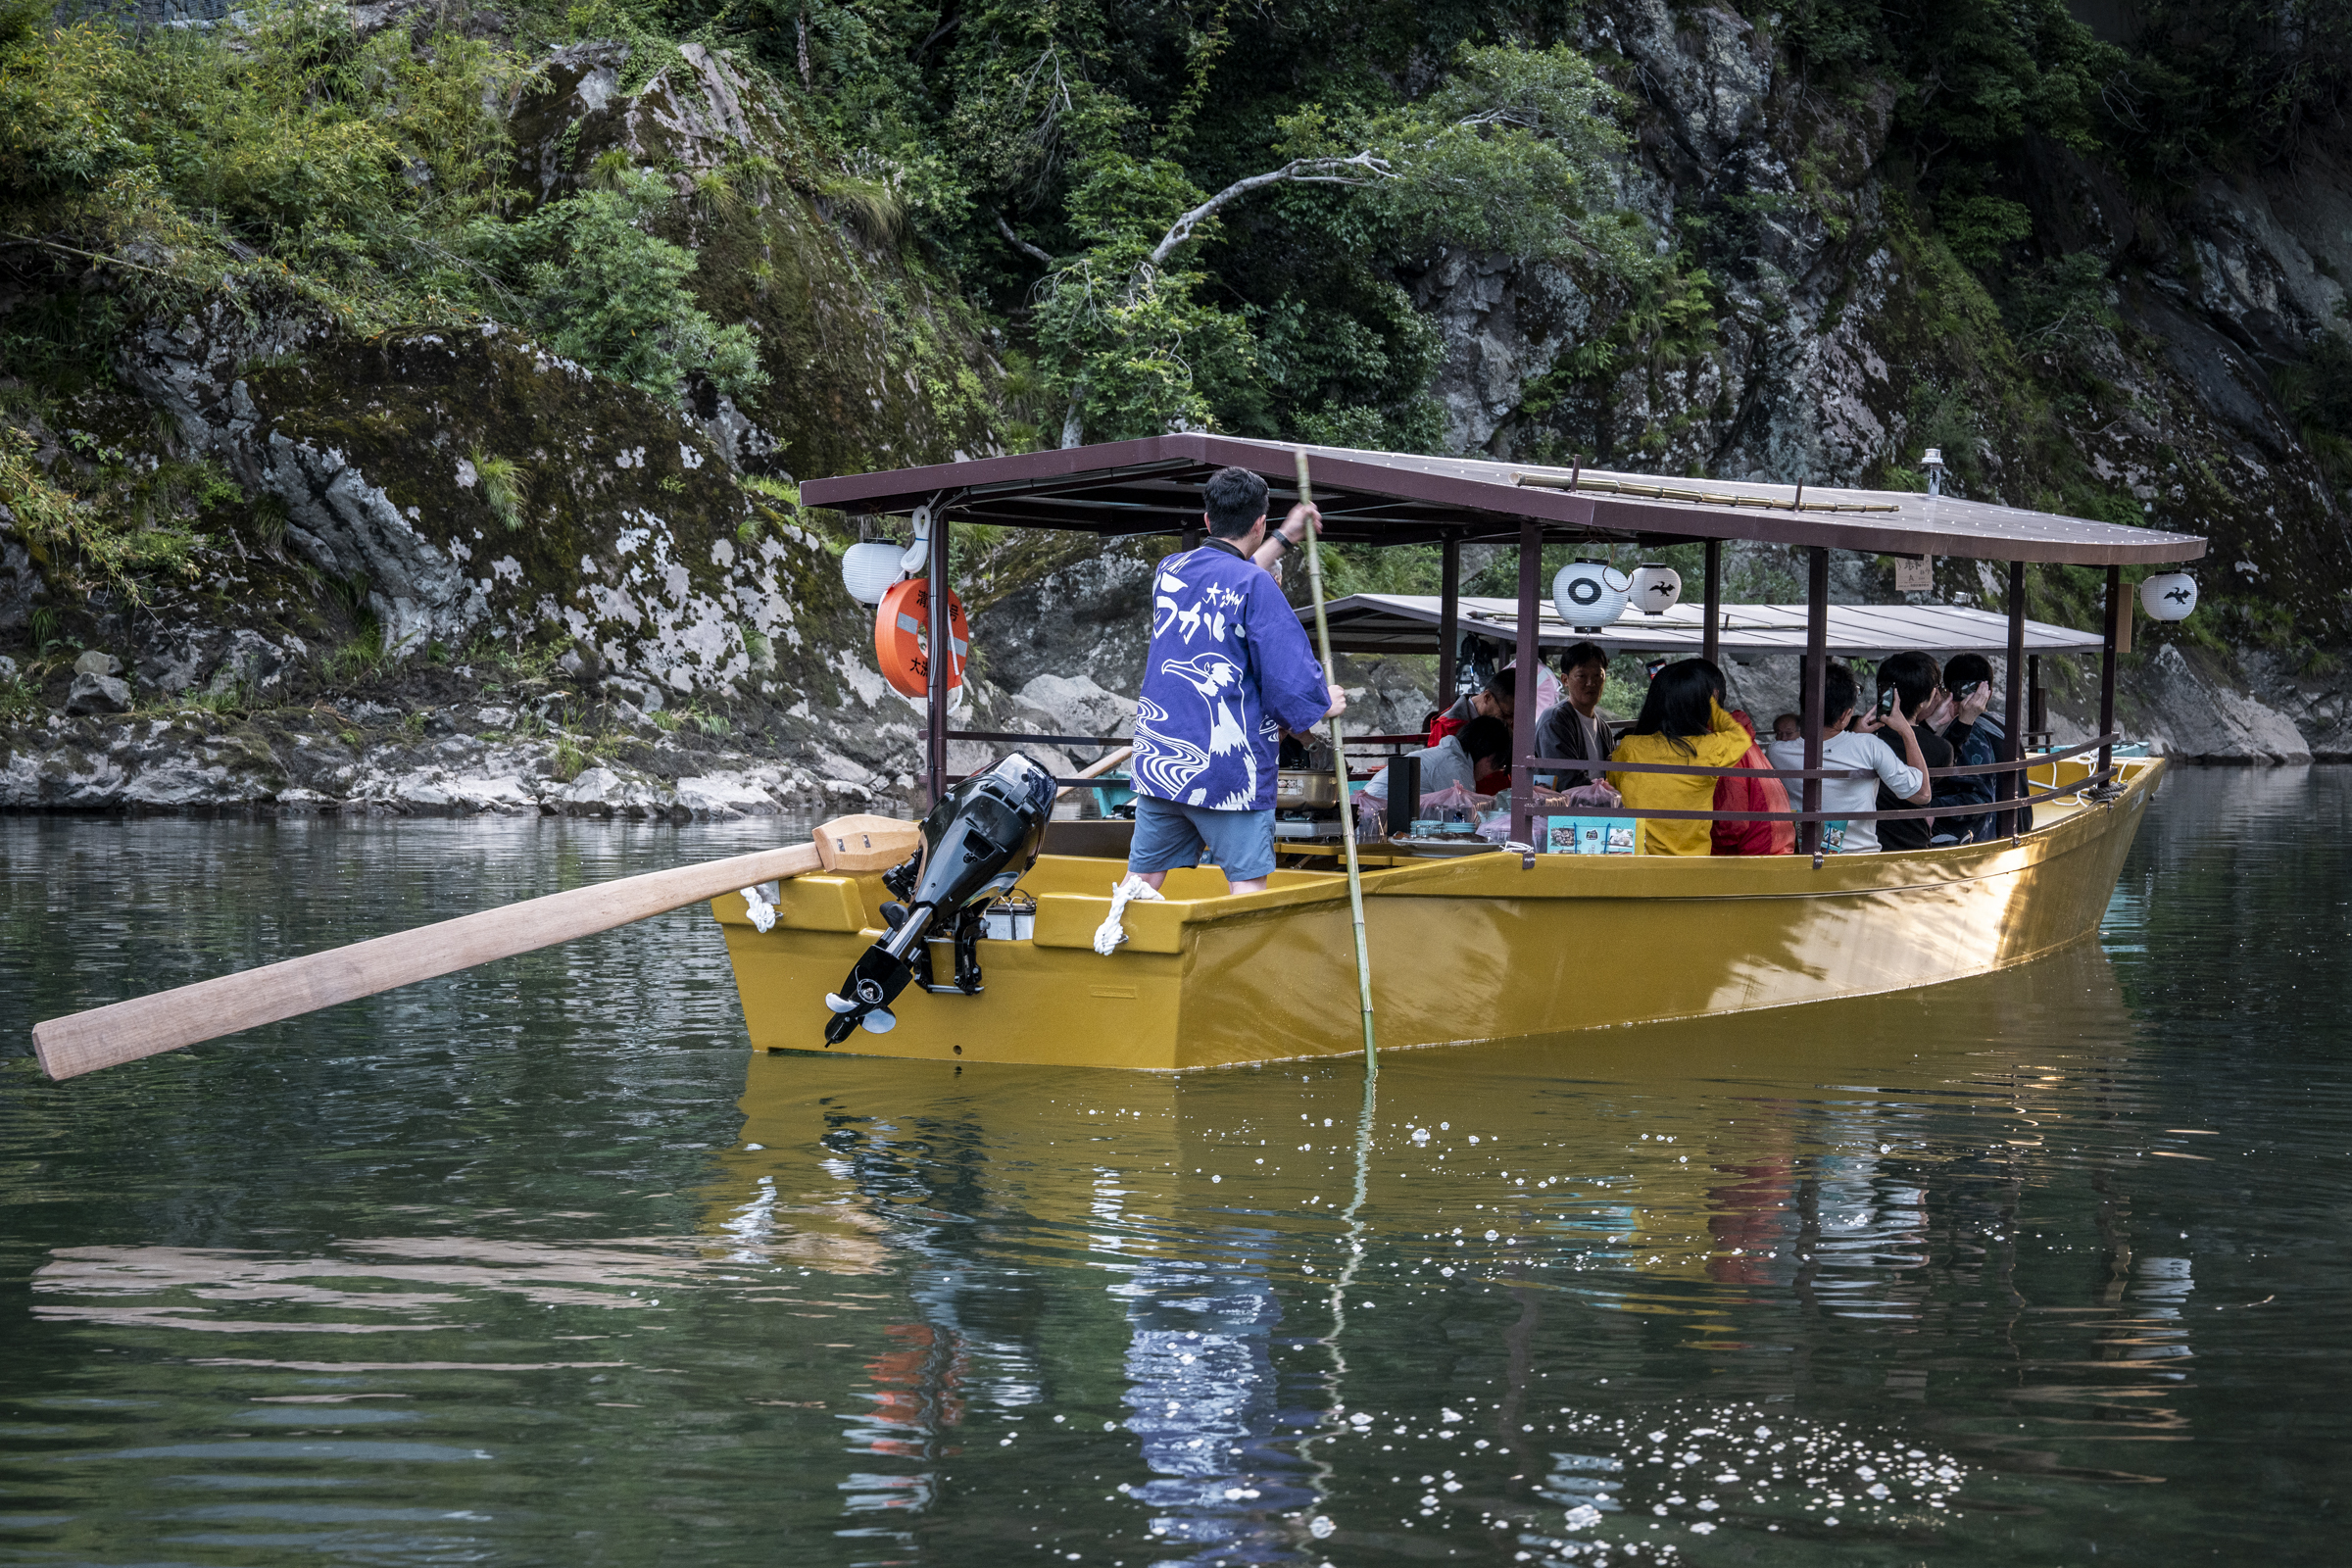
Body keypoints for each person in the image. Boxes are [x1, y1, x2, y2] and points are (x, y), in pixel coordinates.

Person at [1121, 466, 1347, 898]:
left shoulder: (1169, 572)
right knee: (1246, 889)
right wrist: (1323, 701)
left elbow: (1228, 578)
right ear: (1258, 523)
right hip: (1229, 772)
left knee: (1141, 884)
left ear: (1207, 519)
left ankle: (1116, 945)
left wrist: (1284, 536)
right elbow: (1289, 681)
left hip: (1163, 761)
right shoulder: (1256, 585)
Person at [1761, 661, 1929, 854]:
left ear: (1804, 707)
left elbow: (1829, 750)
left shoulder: (1777, 752)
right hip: (1858, 858)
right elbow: (1921, 794)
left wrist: (1853, 736)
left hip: (1803, 857)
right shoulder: (1870, 747)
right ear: (1846, 714)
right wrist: (1907, 732)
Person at [1604, 659, 1755, 857]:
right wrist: (1713, 704)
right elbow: (1741, 736)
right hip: (1692, 863)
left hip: (1638, 859)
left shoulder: (1630, 748)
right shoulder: (1710, 749)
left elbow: (1614, 787)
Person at [1696, 666, 1793, 857]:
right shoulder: (1738, 736)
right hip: (1772, 850)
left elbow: (1730, 824)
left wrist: (1702, 849)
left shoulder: (1725, 744)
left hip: (1754, 856)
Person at [1359, 714, 1512, 831]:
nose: (1491, 773)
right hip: (1378, 825)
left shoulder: (1443, 756)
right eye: (1498, 765)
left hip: (1371, 818)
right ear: (1490, 758)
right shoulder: (1455, 768)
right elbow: (1465, 822)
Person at [1868, 652, 1955, 852]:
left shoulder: (1859, 734)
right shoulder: (1940, 749)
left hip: (1864, 844)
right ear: (1928, 698)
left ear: (1883, 691)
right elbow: (1928, 792)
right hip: (1912, 844)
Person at [1931, 652, 2004, 841]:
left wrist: (1922, 806)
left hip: (1971, 838)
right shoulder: (2003, 724)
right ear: (1989, 693)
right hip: (2005, 830)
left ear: (1947, 691)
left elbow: (1978, 798)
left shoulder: (1971, 733)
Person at [1532, 641, 1612, 787]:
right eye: (1582, 676)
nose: (1591, 683)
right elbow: (1565, 780)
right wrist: (1607, 796)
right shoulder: (1555, 720)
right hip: (1564, 808)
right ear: (1565, 679)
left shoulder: (1603, 728)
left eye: (1598, 675)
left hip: (1598, 806)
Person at [1427, 666, 1514, 748]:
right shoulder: (1447, 727)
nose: (1511, 722)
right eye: (1506, 714)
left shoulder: (1504, 720)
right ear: (1487, 697)